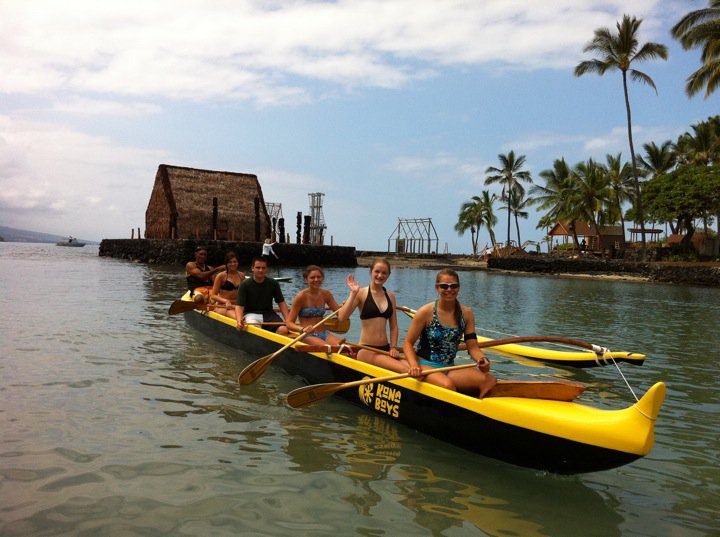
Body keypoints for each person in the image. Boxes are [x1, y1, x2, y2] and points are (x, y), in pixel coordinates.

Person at [402, 268, 496, 398]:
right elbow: (407, 343)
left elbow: (473, 347)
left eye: (453, 286)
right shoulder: (425, 312)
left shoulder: (467, 314)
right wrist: (413, 366)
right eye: (444, 286)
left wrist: (482, 359)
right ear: (437, 288)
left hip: (449, 368)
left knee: (490, 381)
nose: (449, 290)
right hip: (425, 366)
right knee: (448, 385)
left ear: (459, 288)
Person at [338, 258, 416, 374]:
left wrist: (393, 347)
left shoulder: (391, 296)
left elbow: (394, 326)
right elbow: (341, 317)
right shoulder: (361, 293)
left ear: (388, 275)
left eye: (384, 273)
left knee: (415, 367)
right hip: (367, 350)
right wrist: (353, 294)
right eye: (377, 271)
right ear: (371, 272)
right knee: (406, 370)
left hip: (386, 349)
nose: (380, 275)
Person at [286, 265, 344, 346]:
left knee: (343, 347)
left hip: (324, 333)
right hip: (307, 335)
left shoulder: (326, 294)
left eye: (319, 277)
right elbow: (289, 323)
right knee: (327, 347)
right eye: (312, 277)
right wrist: (302, 329)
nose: (316, 280)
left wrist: (349, 302)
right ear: (306, 280)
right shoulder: (301, 296)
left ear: (322, 278)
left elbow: (340, 314)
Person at [235, 257, 289, 334]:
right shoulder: (244, 284)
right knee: (255, 330)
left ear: (266, 269)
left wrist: (288, 320)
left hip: (269, 314)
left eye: (263, 268)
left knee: (283, 330)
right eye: (258, 268)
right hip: (251, 314)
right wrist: (239, 321)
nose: (261, 270)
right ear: (252, 268)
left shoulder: (273, 283)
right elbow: (239, 306)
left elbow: (281, 303)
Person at [209, 251, 245, 320]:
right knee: (238, 318)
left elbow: (245, 293)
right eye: (230, 262)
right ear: (226, 264)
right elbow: (213, 295)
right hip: (223, 306)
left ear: (238, 263)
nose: (233, 264)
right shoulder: (221, 276)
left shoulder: (242, 275)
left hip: (237, 306)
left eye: (235, 262)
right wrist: (226, 301)